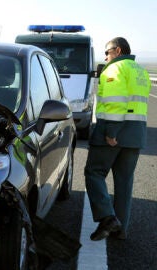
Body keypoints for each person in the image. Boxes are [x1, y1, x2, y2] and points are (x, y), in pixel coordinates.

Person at [84, 37, 151, 241]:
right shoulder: (141, 71)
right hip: (135, 135)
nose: (105, 57)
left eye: (107, 52)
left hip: (113, 134)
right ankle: (120, 230)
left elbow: (116, 103)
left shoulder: (114, 69)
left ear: (118, 50)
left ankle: (107, 218)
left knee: (94, 172)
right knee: (124, 182)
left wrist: (111, 132)